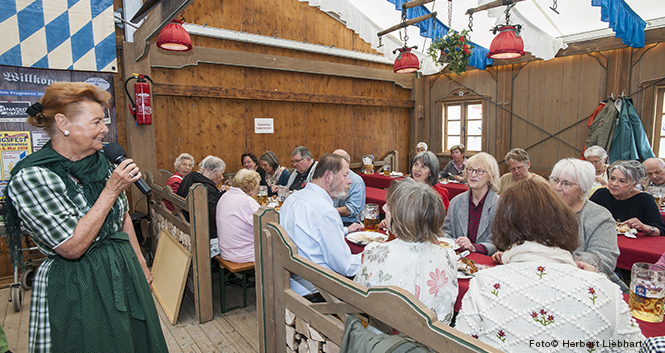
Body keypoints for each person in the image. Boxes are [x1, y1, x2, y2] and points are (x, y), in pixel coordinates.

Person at [4, 82, 167, 352]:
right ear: (63, 123)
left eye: (104, 121)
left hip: (122, 267)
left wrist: (141, 264)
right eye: (96, 122)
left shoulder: (100, 161)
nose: (105, 129)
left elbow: (123, 217)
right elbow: (72, 246)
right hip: (77, 280)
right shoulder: (33, 177)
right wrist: (111, 189)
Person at [456, 179, 645, 351]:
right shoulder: (604, 288)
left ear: (502, 224)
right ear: (564, 220)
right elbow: (634, 347)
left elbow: (460, 346)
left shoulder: (484, 283)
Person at [354, 178, 458, 329]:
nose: (383, 208)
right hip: (432, 343)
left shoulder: (377, 252)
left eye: (389, 207)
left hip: (383, 343)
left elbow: (358, 298)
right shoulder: (449, 256)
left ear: (401, 216)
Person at [279, 153, 363, 296]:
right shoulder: (326, 211)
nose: (350, 181)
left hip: (288, 283)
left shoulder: (292, 199)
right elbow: (346, 267)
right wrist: (372, 254)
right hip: (317, 289)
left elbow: (309, 234)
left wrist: (345, 230)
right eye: (345, 175)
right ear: (328, 177)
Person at [543, 159, 624, 290]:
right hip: (543, 277)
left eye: (566, 184)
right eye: (555, 180)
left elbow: (603, 260)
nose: (557, 188)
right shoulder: (541, 210)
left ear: (582, 190)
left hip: (585, 284)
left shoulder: (599, 216)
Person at [443, 152, 500, 256]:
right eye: (470, 170)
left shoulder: (499, 205)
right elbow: (446, 233)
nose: (473, 175)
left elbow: (498, 244)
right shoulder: (456, 202)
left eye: (479, 171)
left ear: (490, 176)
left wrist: (474, 247)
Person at [590, 160, 665, 236]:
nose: (614, 184)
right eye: (612, 178)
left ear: (633, 185)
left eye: (622, 181)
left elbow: (660, 230)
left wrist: (646, 228)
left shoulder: (645, 199)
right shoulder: (601, 194)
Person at [216, 169, 261, 263]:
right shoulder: (247, 202)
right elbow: (266, 224)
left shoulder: (225, 195)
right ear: (251, 187)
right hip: (244, 255)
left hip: (227, 251)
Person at [177, 155, 227, 239]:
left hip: (186, 222)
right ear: (214, 172)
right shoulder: (204, 188)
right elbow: (214, 215)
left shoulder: (191, 177)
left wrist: (221, 193)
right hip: (202, 233)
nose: (222, 177)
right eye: (222, 173)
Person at [333, 149, 366, 225]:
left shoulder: (356, 181)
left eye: (337, 161)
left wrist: (329, 210)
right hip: (335, 219)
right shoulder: (332, 178)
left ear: (347, 163)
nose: (333, 164)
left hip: (351, 222)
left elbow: (350, 210)